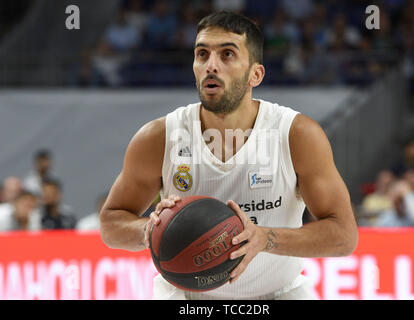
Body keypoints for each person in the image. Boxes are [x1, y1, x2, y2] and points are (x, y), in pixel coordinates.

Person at [100, 11, 358, 300]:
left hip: (279, 293)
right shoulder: (158, 137)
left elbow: (343, 236)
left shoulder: (296, 134)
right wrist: (148, 229)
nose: (211, 65)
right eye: (202, 54)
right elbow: (111, 223)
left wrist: (265, 238)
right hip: (187, 297)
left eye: (227, 55)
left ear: (255, 74)